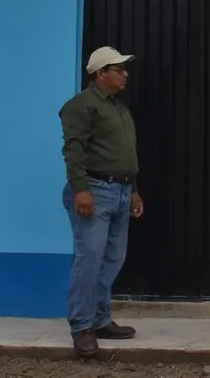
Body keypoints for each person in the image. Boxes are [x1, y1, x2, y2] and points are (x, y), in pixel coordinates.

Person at [60, 46, 145, 357]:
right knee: (90, 258)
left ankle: (100, 319)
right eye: (118, 68)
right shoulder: (81, 106)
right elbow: (73, 150)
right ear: (100, 74)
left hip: (121, 191)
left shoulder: (118, 108)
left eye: (124, 68)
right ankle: (81, 327)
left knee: (112, 259)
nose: (125, 74)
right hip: (94, 191)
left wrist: (133, 189)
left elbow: (125, 154)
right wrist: (81, 189)